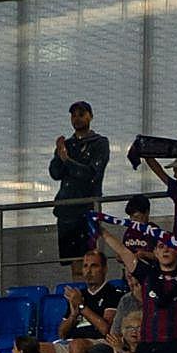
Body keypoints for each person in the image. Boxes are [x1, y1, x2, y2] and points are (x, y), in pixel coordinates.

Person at [49, 101, 109, 260]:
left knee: (89, 258)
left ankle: (88, 285)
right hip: (66, 210)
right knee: (72, 260)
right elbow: (55, 173)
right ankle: (77, 285)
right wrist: (59, 156)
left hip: (86, 208)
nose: (77, 119)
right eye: (73, 115)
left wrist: (67, 160)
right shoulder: (67, 145)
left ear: (91, 116)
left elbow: (92, 173)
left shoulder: (100, 143)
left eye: (81, 114)